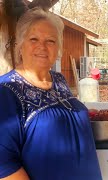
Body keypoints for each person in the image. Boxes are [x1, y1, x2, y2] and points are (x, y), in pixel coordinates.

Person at [0, 8, 102, 180]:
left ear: (58, 49)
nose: (42, 46)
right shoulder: (6, 91)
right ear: (20, 44)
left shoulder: (59, 80)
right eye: (34, 39)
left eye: (50, 41)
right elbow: (4, 166)